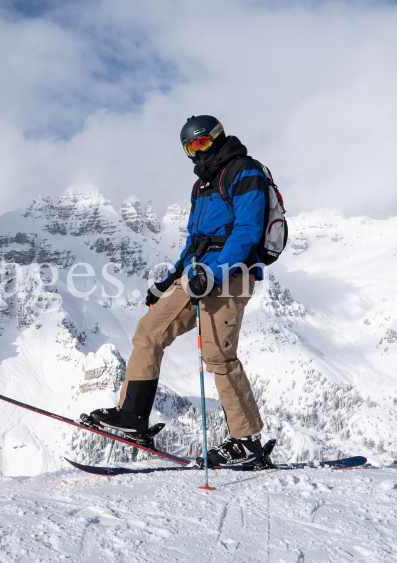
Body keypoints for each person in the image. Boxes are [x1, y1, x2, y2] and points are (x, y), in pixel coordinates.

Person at [85, 115, 269, 467]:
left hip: (230, 275)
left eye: (201, 143)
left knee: (218, 357)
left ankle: (247, 442)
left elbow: (246, 232)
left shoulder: (244, 171)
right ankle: (134, 417)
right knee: (148, 331)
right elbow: (194, 244)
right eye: (190, 147)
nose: (196, 152)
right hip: (196, 274)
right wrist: (168, 280)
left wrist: (213, 274)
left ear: (216, 138)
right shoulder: (201, 187)